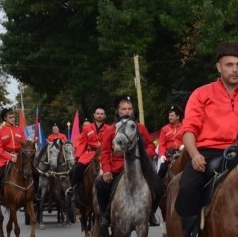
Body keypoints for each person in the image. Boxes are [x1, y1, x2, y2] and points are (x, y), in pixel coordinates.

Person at [175, 40, 238, 237]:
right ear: (219, 67)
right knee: (187, 187)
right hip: (208, 153)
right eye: (229, 64)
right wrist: (194, 155)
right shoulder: (201, 94)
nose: (235, 69)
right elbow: (188, 129)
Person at [95, 96, 157, 227]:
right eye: (123, 109)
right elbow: (105, 152)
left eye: (129, 108)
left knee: (159, 185)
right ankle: (105, 214)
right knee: (100, 184)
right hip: (117, 167)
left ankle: (151, 214)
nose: (127, 111)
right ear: (118, 111)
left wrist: (145, 155)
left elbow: (151, 145)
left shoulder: (140, 127)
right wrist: (106, 171)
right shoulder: (110, 129)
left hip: (139, 166)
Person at [67, 106, 110, 197]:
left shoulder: (109, 129)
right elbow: (82, 143)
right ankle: (72, 188)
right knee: (77, 168)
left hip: (104, 153)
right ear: (94, 115)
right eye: (98, 114)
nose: (99, 116)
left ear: (105, 116)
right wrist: (78, 156)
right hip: (90, 154)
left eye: (101, 114)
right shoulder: (87, 128)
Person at [0, 109, 26, 205]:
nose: (13, 119)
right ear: (5, 118)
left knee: (33, 171)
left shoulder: (19, 130)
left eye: (13, 117)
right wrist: (10, 158)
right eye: (10, 117)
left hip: (19, 156)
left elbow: (24, 144)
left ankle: (35, 194)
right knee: (0, 174)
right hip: (4, 158)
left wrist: (19, 156)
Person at [157, 105, 184, 179]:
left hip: (183, 153)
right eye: (169, 115)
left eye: (172, 116)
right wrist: (162, 155)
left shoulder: (185, 127)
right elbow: (161, 144)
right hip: (169, 156)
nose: (169, 117)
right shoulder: (164, 129)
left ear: (178, 117)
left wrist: (185, 146)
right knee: (162, 170)